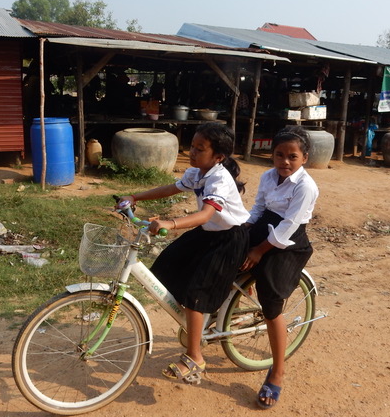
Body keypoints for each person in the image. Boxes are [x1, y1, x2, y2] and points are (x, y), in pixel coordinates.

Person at [119, 122, 250, 383]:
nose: (192, 152)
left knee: (195, 294)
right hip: (208, 233)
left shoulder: (220, 179)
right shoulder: (198, 171)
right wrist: (135, 197)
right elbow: (172, 188)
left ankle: (195, 358)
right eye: (192, 147)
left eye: (200, 149)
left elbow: (205, 214)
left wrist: (171, 223)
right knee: (166, 266)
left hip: (229, 239)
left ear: (218, 157)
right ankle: (199, 317)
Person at [239, 125, 319, 409]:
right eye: (279, 155)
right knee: (224, 256)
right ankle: (230, 312)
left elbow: (289, 226)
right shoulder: (267, 176)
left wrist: (259, 250)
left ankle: (277, 372)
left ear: (304, 158)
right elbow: (259, 208)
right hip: (265, 227)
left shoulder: (306, 186)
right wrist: (243, 229)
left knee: (271, 304)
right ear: (272, 155)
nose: (285, 161)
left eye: (292, 156)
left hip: (288, 241)